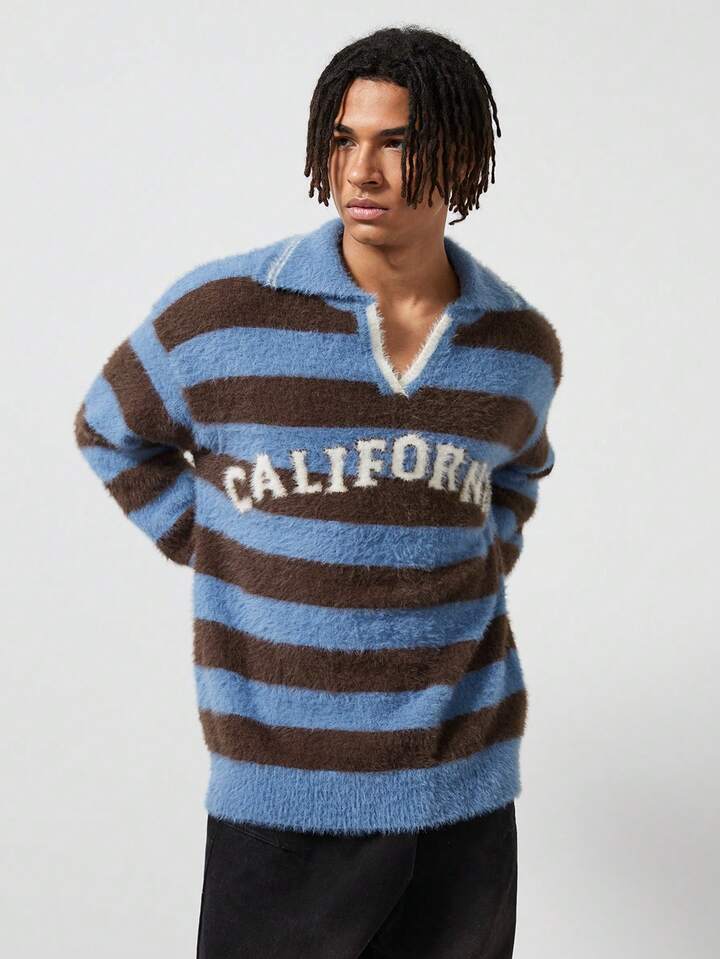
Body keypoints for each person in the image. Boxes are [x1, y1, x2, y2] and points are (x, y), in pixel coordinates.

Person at [74, 24, 563, 959]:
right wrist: (223, 546)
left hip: (461, 796)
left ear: (463, 159)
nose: (361, 170)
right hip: (282, 798)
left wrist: (454, 563)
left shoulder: (518, 346)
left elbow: (517, 475)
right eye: (343, 140)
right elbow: (109, 428)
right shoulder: (222, 315)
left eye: (396, 142)